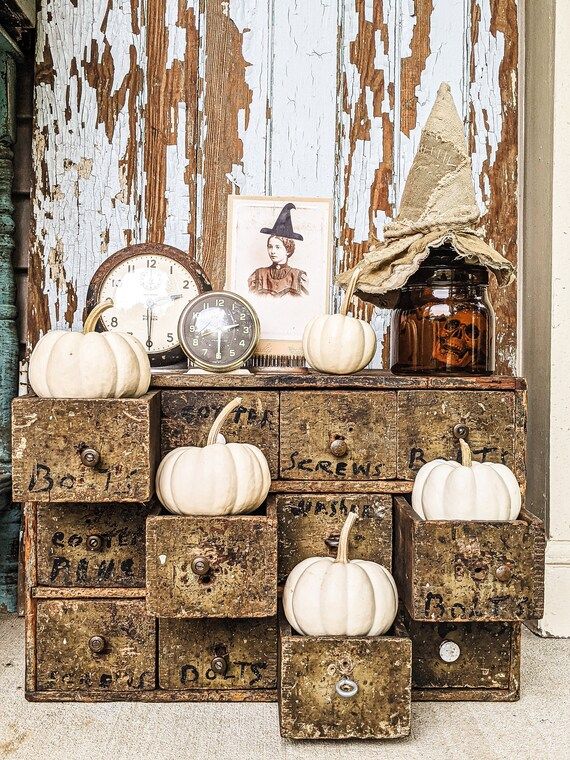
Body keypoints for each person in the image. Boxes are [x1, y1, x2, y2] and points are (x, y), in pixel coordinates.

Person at [248, 203, 308, 297]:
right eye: (270, 246)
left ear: (288, 250)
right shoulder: (258, 275)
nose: (272, 251)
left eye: (277, 247)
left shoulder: (298, 277)